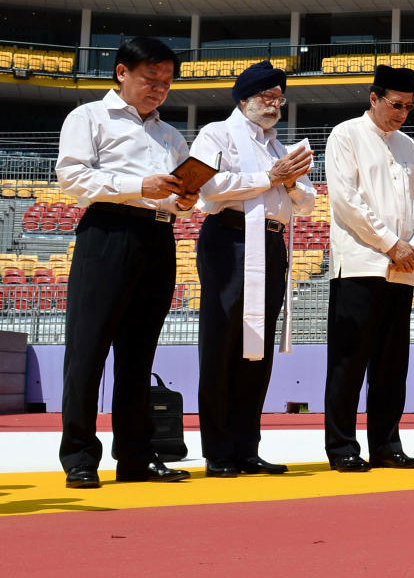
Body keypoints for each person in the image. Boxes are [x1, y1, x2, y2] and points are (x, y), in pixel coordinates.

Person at [56, 37, 196, 488]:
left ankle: (135, 454)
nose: (159, 89)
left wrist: (184, 200)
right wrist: (140, 186)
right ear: (122, 73)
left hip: (158, 235)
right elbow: (73, 176)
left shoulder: (170, 135)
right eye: (150, 79)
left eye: (167, 82)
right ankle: (79, 455)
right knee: (88, 349)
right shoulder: (89, 117)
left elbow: (174, 199)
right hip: (107, 231)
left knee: (139, 354)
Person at [191, 61, 316, 477]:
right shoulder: (217, 134)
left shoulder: (281, 147)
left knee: (255, 348)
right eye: (266, 97)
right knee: (222, 342)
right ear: (244, 98)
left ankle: (247, 445)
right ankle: (218, 449)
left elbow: (308, 202)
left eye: (280, 98)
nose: (274, 105)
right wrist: (270, 177)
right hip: (229, 238)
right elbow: (207, 187)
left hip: (271, 241)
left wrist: (290, 181)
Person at [323, 65, 414, 472]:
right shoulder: (345, 134)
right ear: (374, 98)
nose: (402, 113)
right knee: (349, 361)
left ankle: (386, 443)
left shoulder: (408, 146)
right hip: (360, 264)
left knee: (391, 364)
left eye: (409, 106)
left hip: (402, 268)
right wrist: (391, 243)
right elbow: (347, 202)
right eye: (395, 104)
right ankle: (343, 446)